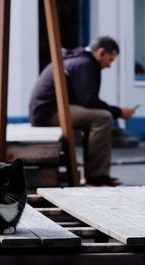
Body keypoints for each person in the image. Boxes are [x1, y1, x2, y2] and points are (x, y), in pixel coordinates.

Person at [29, 36, 135, 186]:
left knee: (96, 116)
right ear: (101, 52)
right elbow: (89, 101)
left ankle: (95, 175)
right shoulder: (85, 64)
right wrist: (119, 112)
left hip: (45, 110)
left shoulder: (78, 60)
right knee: (103, 117)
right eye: (110, 60)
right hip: (48, 113)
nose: (109, 65)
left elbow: (85, 101)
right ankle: (96, 178)